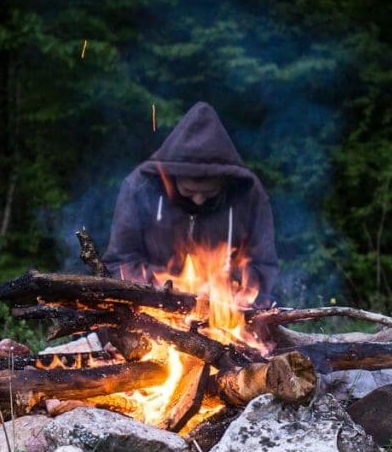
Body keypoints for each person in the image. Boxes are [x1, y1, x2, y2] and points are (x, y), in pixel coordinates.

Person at [103, 102, 279, 306]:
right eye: (188, 191)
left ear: (225, 181)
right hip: (151, 309)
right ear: (171, 177)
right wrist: (168, 286)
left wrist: (227, 286)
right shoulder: (139, 187)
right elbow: (119, 261)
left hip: (224, 312)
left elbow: (263, 265)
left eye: (210, 192)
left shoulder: (248, 194)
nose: (198, 199)